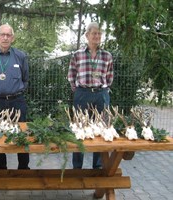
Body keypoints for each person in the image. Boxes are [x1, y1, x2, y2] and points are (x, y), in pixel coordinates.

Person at [0, 24, 30, 170]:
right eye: (2, 34)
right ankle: (1, 166)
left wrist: (17, 91)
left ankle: (23, 167)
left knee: (21, 134)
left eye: (8, 35)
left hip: (17, 101)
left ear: (13, 38)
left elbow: (26, 79)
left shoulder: (20, 56)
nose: (5, 37)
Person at [67, 22, 114, 169]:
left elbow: (110, 76)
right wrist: (79, 90)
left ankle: (98, 166)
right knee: (79, 128)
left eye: (99, 33)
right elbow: (71, 75)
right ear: (87, 35)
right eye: (94, 33)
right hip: (82, 94)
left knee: (100, 128)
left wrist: (103, 89)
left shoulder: (107, 56)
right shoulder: (77, 54)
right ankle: (77, 166)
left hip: (101, 94)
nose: (97, 36)